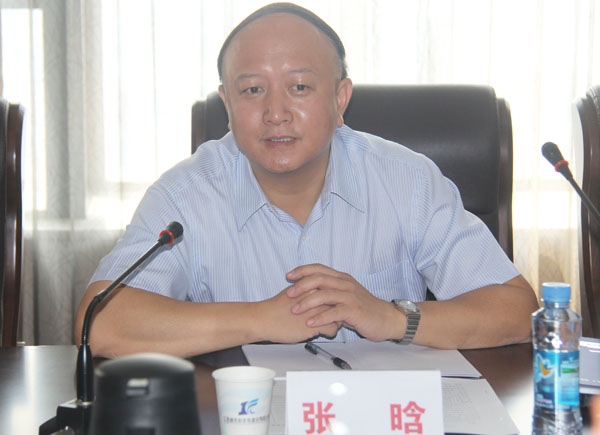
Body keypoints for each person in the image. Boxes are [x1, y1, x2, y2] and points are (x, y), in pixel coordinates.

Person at [74, 2, 538, 358]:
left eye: (299, 87)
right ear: (227, 103)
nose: (276, 113)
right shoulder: (186, 194)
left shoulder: (407, 181)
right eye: (252, 90)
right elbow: (100, 322)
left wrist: (391, 317)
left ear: (340, 98)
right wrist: (261, 319)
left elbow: (516, 311)